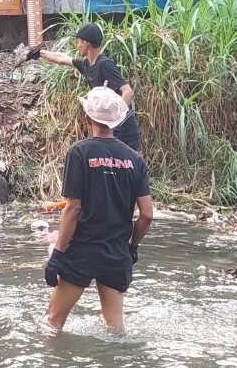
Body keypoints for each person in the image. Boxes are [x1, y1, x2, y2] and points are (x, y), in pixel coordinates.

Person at [44, 86, 154, 333]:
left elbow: (72, 209)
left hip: (81, 251)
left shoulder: (80, 152)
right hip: (116, 253)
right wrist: (132, 247)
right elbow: (147, 214)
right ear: (116, 121)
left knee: (52, 323)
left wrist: (57, 256)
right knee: (115, 329)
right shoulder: (135, 159)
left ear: (87, 117)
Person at [26, 22, 142, 152]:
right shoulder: (87, 64)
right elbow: (62, 59)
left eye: (79, 42)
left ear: (86, 43)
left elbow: (128, 92)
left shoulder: (104, 64)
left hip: (124, 130)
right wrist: (40, 53)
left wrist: (115, 118)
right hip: (107, 130)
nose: (77, 46)